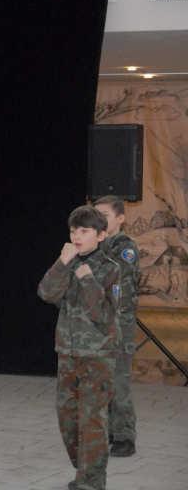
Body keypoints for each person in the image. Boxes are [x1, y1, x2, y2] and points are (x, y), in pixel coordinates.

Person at [38, 206, 121, 490]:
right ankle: (85, 471)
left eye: (84, 231)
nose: (77, 236)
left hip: (98, 355)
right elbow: (46, 293)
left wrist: (87, 279)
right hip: (68, 353)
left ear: (100, 235)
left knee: (92, 420)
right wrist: (62, 262)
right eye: (74, 230)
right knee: (68, 421)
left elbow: (104, 315)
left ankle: (91, 481)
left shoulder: (110, 268)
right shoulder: (68, 262)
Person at [94, 196, 141, 458]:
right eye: (95, 215)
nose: (99, 220)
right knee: (102, 378)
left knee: (119, 379)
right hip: (98, 320)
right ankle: (110, 430)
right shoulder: (96, 243)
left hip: (120, 322)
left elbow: (114, 276)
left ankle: (125, 437)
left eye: (104, 215)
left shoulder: (126, 247)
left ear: (120, 218)